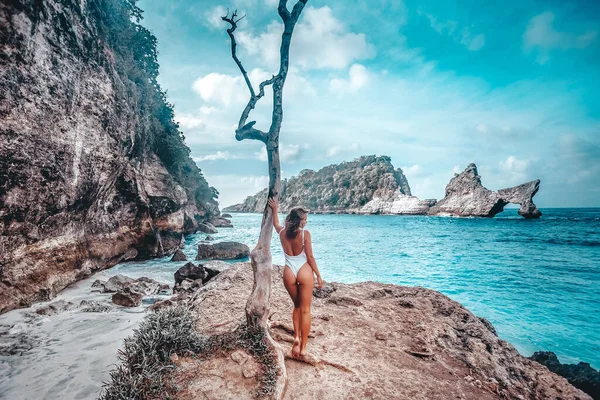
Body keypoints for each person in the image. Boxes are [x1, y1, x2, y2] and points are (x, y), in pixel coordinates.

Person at [268, 198, 323, 359]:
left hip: (289, 272)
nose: (306, 222)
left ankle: (297, 338)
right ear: (298, 220)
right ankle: (303, 348)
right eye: (304, 219)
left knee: (296, 306)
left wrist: (275, 209)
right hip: (304, 271)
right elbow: (310, 257)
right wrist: (319, 275)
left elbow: (275, 224)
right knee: (305, 310)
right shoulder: (305, 234)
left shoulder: (283, 232)